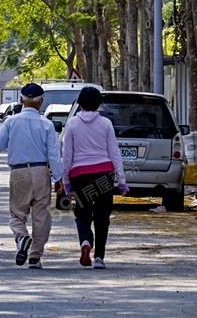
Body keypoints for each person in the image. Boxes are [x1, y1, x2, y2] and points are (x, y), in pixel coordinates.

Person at [0, 83, 62, 269]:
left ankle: (22, 237)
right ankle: (35, 257)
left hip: (19, 172)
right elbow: (53, 154)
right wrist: (58, 179)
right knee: (41, 216)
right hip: (41, 172)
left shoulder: (11, 121)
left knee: (17, 213)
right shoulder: (46, 124)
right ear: (42, 101)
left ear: (21, 99)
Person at [61, 86, 127, 269]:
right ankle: (99, 257)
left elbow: (67, 155)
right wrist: (122, 180)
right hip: (104, 175)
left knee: (82, 215)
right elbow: (114, 153)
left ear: (80, 103)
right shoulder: (106, 123)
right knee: (102, 216)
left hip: (80, 175)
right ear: (99, 104)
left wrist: (66, 181)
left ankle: (85, 242)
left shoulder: (72, 123)